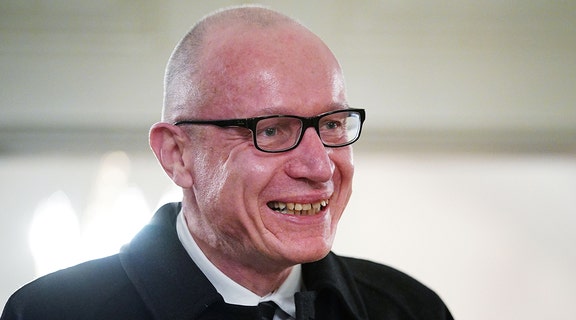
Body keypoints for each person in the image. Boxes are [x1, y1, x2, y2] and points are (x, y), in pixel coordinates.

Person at [2, 5, 453, 320]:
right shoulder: (52, 313)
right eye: (272, 130)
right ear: (177, 156)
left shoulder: (410, 309)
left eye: (333, 125)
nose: (319, 168)